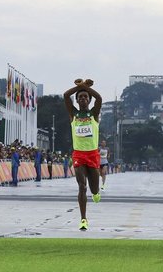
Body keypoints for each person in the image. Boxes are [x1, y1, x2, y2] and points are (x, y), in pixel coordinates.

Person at [64, 78, 102, 231]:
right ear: (78, 101)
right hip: (79, 155)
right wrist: (80, 87)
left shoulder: (94, 114)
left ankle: (96, 192)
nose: (83, 99)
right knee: (82, 187)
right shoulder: (73, 114)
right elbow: (66, 96)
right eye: (80, 97)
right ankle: (83, 219)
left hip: (92, 155)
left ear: (89, 100)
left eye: (86, 96)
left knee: (94, 190)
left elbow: (99, 98)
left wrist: (84, 87)